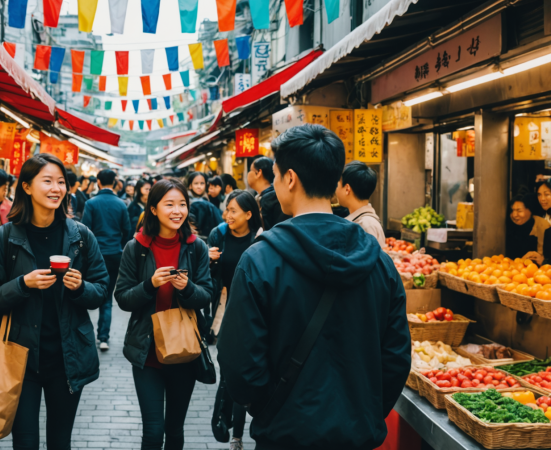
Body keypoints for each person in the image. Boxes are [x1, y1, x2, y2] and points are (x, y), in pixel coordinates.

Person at [218, 124, 411, 450]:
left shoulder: (260, 259)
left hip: (285, 433)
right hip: (357, 435)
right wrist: (364, 413)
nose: (275, 183)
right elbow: (396, 358)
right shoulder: (379, 261)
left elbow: (238, 363)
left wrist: (268, 409)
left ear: (290, 179)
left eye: (276, 175)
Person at [0, 154, 109, 450]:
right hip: (18, 358)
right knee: (25, 443)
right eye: (47, 181)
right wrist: (23, 284)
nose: (56, 188)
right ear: (26, 186)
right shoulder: (4, 237)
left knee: (60, 442)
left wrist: (79, 288)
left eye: (61, 182)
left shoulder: (81, 236)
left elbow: (101, 290)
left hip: (67, 358)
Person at [115, 179, 214, 450]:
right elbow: (122, 298)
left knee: (174, 429)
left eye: (182, 204)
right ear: (153, 209)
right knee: (153, 432)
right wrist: (150, 285)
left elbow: (206, 295)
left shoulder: (197, 247)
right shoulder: (136, 247)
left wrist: (187, 288)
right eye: (169, 204)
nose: (177, 211)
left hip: (184, 351)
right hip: (147, 353)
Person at [206, 191, 263, 449]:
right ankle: (229, 423)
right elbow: (209, 277)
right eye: (227, 210)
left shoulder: (262, 238)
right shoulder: (219, 234)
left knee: (243, 368)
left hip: (254, 313)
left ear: (249, 214)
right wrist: (209, 262)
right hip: (226, 310)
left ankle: (237, 433)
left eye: (233, 211)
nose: (227, 215)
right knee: (228, 365)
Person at [81, 169, 131, 352]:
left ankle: (85, 335)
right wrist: (120, 244)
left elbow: (85, 229)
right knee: (108, 296)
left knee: (88, 292)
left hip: (95, 255)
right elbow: (127, 230)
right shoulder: (121, 204)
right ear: (115, 182)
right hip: (115, 254)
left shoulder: (91, 203)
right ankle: (103, 337)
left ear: (99, 182)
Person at [335, 161, 386, 246]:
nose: (335, 190)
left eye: (338, 184)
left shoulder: (365, 225)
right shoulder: (365, 222)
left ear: (347, 189)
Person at [247, 157, 290, 230]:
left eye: (250, 170)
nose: (248, 174)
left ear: (258, 173)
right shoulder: (261, 197)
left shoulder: (271, 199)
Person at [507, 195, 551, 265]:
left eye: (519, 210)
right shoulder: (508, 227)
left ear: (530, 211)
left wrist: (542, 260)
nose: (514, 215)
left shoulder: (544, 227)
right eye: (512, 211)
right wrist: (521, 261)